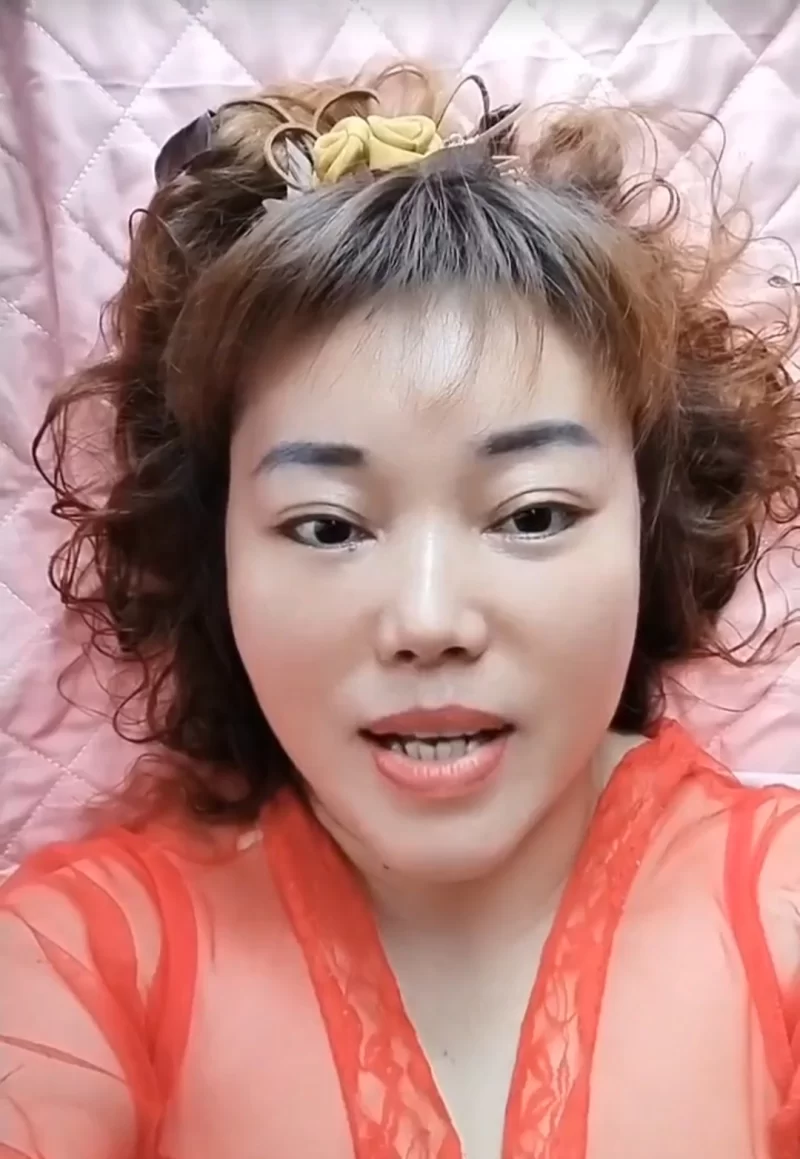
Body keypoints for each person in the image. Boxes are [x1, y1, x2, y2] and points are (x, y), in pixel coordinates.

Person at [1, 62, 800, 1159]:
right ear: (214, 554)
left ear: (648, 527)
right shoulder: (83, 958)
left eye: (530, 515)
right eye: (328, 527)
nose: (427, 621)